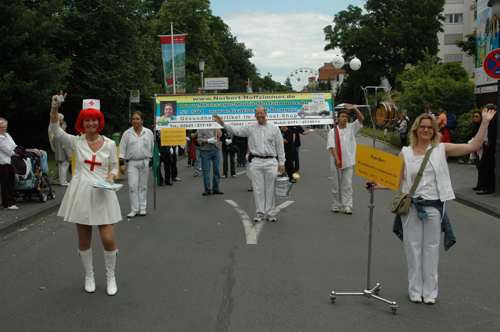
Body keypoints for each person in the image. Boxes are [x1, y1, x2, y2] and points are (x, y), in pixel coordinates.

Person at [393, 108, 496, 304]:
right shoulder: (405, 153)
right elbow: (394, 180)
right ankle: (415, 290)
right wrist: (375, 185)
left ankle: (430, 292)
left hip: (433, 207)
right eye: (422, 127)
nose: (425, 130)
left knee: (431, 250)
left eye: (429, 127)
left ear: (433, 131)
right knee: (412, 250)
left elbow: (473, 146)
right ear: (415, 130)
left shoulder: (441, 149)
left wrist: (484, 123)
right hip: (411, 207)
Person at [49, 95, 121, 296]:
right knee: (84, 238)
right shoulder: (75, 141)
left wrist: (111, 175)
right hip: (81, 192)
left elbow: (115, 167)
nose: (91, 123)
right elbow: (55, 130)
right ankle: (89, 275)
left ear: (99, 121)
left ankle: (111, 276)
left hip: (103, 192)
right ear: (82, 122)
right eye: (87, 119)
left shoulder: (108, 144)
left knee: (107, 238)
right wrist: (54, 108)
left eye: (94, 119)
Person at [213, 107, 285, 222]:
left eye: (262, 113)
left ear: (266, 114)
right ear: (255, 115)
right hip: (256, 161)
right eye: (257, 113)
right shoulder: (251, 128)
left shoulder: (274, 128)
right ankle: (260, 213)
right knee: (258, 189)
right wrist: (222, 123)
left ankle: (270, 213)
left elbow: (280, 146)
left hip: (271, 162)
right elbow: (237, 130)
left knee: (270, 188)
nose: (260, 115)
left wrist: (282, 162)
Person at [327, 104, 364, 214]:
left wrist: (354, 108)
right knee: (336, 185)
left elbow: (361, 119)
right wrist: (337, 159)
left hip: (348, 161)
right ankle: (336, 204)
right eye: (342, 116)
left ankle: (348, 205)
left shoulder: (351, 128)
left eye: (346, 117)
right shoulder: (332, 131)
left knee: (347, 184)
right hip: (335, 161)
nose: (344, 118)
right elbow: (332, 146)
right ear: (337, 118)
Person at [119, 111, 154, 218]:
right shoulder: (127, 134)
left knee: (143, 186)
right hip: (132, 163)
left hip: (144, 161)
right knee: (132, 186)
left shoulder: (148, 133)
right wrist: (121, 164)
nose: (135, 121)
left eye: (137, 119)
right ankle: (134, 209)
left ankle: (142, 208)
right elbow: (122, 149)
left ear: (142, 120)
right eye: (133, 119)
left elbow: (152, 147)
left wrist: (152, 159)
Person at [477, 106, 497, 195]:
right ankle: (483, 186)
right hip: (486, 144)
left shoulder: (493, 120)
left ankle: (488, 188)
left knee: (488, 167)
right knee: (483, 166)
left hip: (490, 146)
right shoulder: (488, 120)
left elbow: (492, 132)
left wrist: (489, 141)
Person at [0, 117, 19, 210]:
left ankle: (11, 200)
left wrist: (14, 151)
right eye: (1, 127)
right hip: (2, 163)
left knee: (11, 181)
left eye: (4, 126)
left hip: (10, 161)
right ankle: (7, 203)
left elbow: (14, 145)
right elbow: (7, 150)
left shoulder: (7, 135)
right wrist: (14, 152)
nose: (3, 128)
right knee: (5, 183)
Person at [197, 128, 223, 195]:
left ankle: (216, 189)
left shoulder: (215, 125)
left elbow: (220, 135)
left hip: (216, 149)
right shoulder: (201, 127)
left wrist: (217, 128)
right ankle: (207, 190)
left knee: (217, 170)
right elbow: (198, 140)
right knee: (206, 171)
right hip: (205, 151)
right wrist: (207, 140)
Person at [49, 113, 72, 186]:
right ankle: (63, 181)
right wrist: (69, 155)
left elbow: (53, 141)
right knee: (64, 166)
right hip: (62, 153)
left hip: (58, 152)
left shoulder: (56, 134)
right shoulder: (62, 134)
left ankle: (56, 180)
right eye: (64, 125)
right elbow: (65, 146)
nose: (66, 126)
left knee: (60, 167)